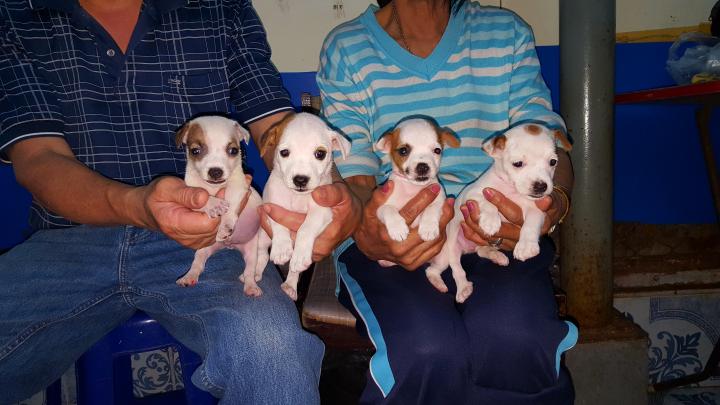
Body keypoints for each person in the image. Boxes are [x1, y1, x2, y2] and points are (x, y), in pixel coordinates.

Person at [0, 0, 359, 403]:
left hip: (214, 234)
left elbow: (276, 124)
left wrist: (332, 193)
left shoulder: (219, 6)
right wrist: (137, 205)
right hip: (66, 239)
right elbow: (37, 157)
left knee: (276, 354)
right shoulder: (16, 12)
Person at [313, 0, 579, 403]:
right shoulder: (348, 48)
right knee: (427, 348)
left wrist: (555, 202)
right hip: (395, 239)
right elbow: (357, 174)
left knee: (516, 334)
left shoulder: (505, 33)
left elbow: (547, 140)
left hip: (491, 230)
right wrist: (372, 227)